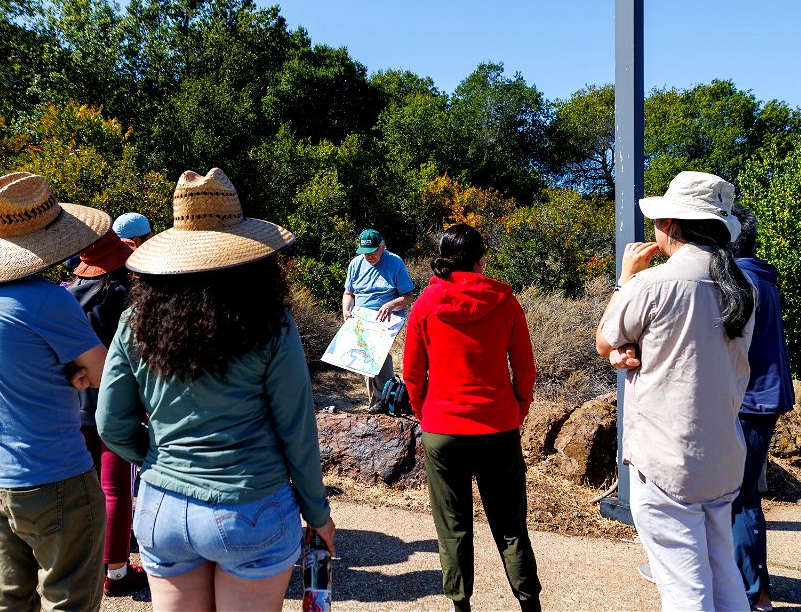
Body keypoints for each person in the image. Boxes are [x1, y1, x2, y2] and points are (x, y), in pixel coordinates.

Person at [96, 168, 335, 611]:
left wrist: (154, 455)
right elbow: (296, 428)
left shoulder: (135, 321)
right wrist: (317, 513)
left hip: (162, 505)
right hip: (252, 504)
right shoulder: (270, 322)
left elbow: (110, 421)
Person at [0, 172, 110, 611]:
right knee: (71, 601)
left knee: (11, 601)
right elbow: (104, 374)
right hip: (51, 475)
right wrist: (81, 371)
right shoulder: (45, 300)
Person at [596, 171, 756, 612]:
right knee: (724, 577)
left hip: (668, 460)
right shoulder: (742, 289)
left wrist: (626, 279)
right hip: (723, 456)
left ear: (670, 225)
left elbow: (605, 340)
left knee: (685, 591)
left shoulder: (654, 284)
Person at [403, 224, 541, 612]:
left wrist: (423, 412)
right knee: (511, 525)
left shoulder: (425, 305)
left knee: (453, 527)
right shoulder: (506, 302)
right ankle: (530, 603)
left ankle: (460, 604)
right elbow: (524, 369)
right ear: (481, 259)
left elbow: (413, 373)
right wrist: (519, 409)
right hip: (497, 425)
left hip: (442, 428)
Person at [66, 230, 150, 598]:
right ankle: (116, 572)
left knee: (82, 489)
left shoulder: (65, 296)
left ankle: (85, 562)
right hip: (117, 405)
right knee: (115, 489)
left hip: (73, 402)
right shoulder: (124, 297)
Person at [730, 203, 796, 612]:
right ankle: (747, 583)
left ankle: (755, 593)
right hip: (766, 397)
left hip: (747, 399)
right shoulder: (763, 278)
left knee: (740, 495)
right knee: (741, 491)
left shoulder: (739, 282)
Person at [342, 229, 415, 411]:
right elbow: (348, 293)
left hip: (389, 318)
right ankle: (378, 402)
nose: (369, 256)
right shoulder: (355, 264)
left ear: (382, 247)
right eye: (365, 252)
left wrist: (391, 305)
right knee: (366, 359)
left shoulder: (395, 262)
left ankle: (385, 400)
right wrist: (346, 310)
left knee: (375, 352)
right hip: (361, 319)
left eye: (373, 251)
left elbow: (408, 296)